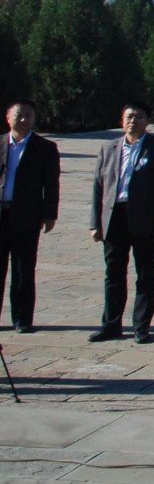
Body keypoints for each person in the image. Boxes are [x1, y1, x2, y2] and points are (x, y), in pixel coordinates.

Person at [89, 102, 154, 344]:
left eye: (139, 117)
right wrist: (95, 222)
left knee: (145, 272)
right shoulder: (109, 148)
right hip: (114, 217)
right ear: (121, 120)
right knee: (113, 272)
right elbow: (98, 187)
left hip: (144, 219)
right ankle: (111, 324)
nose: (133, 121)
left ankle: (141, 326)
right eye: (129, 116)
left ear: (147, 121)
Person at [0, 101, 60, 333]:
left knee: (23, 268)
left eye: (29, 115)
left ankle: (22, 319)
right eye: (19, 115)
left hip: (26, 215)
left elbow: (51, 184)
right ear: (8, 117)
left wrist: (50, 214)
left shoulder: (45, 148)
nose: (24, 119)